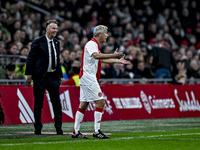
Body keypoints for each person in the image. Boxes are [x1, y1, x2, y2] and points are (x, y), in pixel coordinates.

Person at [72, 25, 131, 139]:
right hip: (88, 77)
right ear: (99, 34)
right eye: (106, 33)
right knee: (101, 102)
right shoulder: (91, 44)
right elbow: (97, 56)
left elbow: (101, 59)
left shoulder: (94, 45)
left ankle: (76, 132)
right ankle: (96, 131)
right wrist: (114, 55)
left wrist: (117, 60)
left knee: (84, 104)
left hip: (86, 77)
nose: (107, 35)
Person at [25, 20, 63, 135]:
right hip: (40, 77)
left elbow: (57, 60)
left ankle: (59, 128)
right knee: (38, 103)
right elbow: (31, 59)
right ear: (47, 29)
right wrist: (29, 75)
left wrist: (60, 75)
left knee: (57, 103)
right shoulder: (38, 42)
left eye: (56, 28)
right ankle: (37, 128)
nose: (55, 31)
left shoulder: (56, 42)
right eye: (53, 28)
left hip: (53, 77)